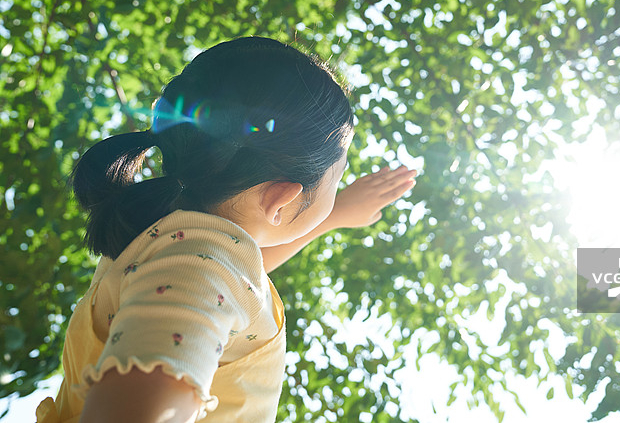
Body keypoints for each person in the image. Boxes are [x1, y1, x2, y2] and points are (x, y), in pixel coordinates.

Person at [35, 36, 417, 423]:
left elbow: (236, 278)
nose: (336, 192)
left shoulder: (185, 245)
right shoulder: (198, 266)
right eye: (336, 179)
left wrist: (335, 214)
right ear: (282, 200)